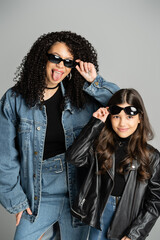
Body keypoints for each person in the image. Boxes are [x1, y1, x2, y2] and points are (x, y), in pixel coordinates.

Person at [0, 31, 119, 240]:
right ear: (41, 58)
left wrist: (95, 81)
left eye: (68, 62)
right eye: (55, 58)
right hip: (38, 195)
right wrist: (16, 201)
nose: (60, 66)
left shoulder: (81, 98)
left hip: (78, 195)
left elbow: (122, 110)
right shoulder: (14, 99)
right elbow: (4, 158)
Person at [66, 88, 160, 240]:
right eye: (116, 116)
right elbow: (74, 157)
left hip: (129, 218)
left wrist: (134, 234)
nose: (122, 123)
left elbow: (155, 201)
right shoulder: (100, 147)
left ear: (140, 118)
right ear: (110, 117)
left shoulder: (152, 157)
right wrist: (95, 123)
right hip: (100, 212)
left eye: (129, 117)